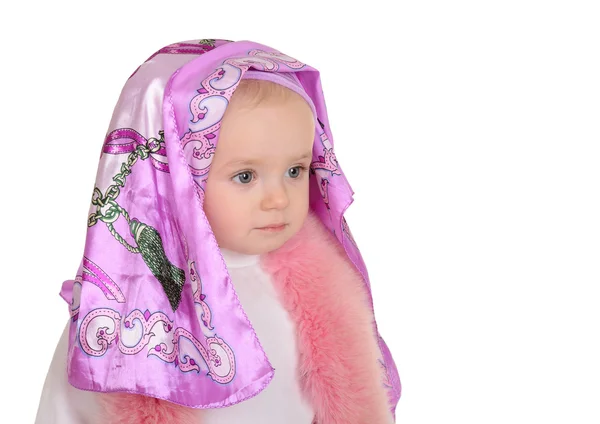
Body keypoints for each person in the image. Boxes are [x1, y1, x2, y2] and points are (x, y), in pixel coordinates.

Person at [35, 38, 401, 424]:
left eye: (295, 171)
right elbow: (60, 413)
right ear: (173, 178)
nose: (278, 198)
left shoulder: (327, 288)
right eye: (245, 176)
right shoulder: (118, 314)